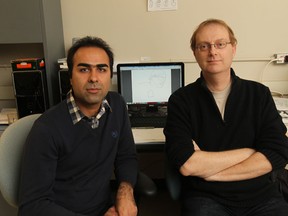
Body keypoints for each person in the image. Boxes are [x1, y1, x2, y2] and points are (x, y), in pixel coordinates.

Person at [164, 18, 288, 216]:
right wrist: (250, 152)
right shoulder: (181, 100)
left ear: (233, 48)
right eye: (204, 46)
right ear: (195, 53)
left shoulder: (259, 94)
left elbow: (277, 153)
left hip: (261, 196)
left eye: (220, 44)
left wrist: (212, 173)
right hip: (206, 198)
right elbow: (186, 164)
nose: (213, 52)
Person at [18, 36, 138, 216]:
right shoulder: (46, 129)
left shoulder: (117, 105)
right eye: (84, 69)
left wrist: (126, 191)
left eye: (102, 69)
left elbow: (126, 156)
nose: (94, 78)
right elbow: (32, 206)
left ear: (110, 74)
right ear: (70, 77)